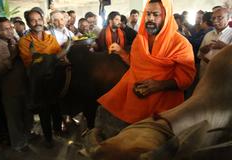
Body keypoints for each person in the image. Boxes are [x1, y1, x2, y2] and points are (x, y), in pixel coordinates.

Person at [95, 0, 196, 139]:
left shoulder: (181, 44)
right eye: (148, 14)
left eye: (156, 14)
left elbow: (186, 80)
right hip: (134, 97)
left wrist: (159, 85)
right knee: (104, 113)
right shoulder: (139, 40)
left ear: (166, 16)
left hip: (163, 105)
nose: (150, 19)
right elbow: (137, 65)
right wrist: (122, 53)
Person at [18, 8, 62, 148]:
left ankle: (58, 130)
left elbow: (59, 55)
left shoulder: (51, 38)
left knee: (56, 106)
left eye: (39, 19)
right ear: (29, 23)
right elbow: (29, 63)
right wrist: (50, 59)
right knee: (44, 110)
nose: (37, 23)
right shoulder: (24, 42)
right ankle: (48, 138)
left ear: (43, 21)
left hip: (54, 79)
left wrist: (59, 58)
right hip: (38, 82)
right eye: (33, 20)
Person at [0, 17, 33, 152]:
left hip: (24, 85)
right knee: (14, 117)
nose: (10, 31)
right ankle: (19, 143)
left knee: (27, 114)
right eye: (6, 29)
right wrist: (12, 56)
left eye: (11, 27)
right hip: (10, 89)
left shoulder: (19, 42)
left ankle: (28, 135)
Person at [198, 7, 232, 78]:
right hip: (205, 75)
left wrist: (225, 47)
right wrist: (202, 52)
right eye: (213, 18)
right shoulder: (208, 35)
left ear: (228, 19)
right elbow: (200, 56)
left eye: (220, 18)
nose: (215, 21)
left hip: (222, 79)